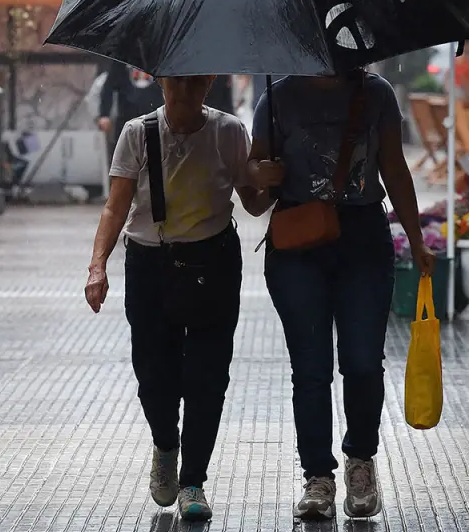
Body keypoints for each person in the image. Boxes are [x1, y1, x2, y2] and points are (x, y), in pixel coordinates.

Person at [245, 68, 434, 520]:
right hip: (298, 240)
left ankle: (360, 461)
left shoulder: (377, 93)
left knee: (364, 360)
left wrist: (417, 237)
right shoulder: (276, 98)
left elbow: (394, 167)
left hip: (364, 238)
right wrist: (259, 174)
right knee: (311, 367)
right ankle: (317, 477)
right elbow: (254, 200)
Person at [84, 74, 268, 522]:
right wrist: (97, 266)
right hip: (150, 265)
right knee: (153, 374)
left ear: (209, 85)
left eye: (195, 86)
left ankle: (193, 481)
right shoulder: (137, 133)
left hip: (214, 264)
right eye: (176, 85)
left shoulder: (228, 131)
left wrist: (271, 178)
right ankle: (165, 443)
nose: (185, 95)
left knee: (208, 376)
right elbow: (115, 206)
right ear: (161, 83)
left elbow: (254, 202)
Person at [97, 62, 164, 157]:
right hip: (127, 116)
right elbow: (109, 86)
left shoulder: (160, 56)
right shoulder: (122, 58)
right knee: (124, 157)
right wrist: (104, 114)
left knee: (155, 157)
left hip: (154, 116)